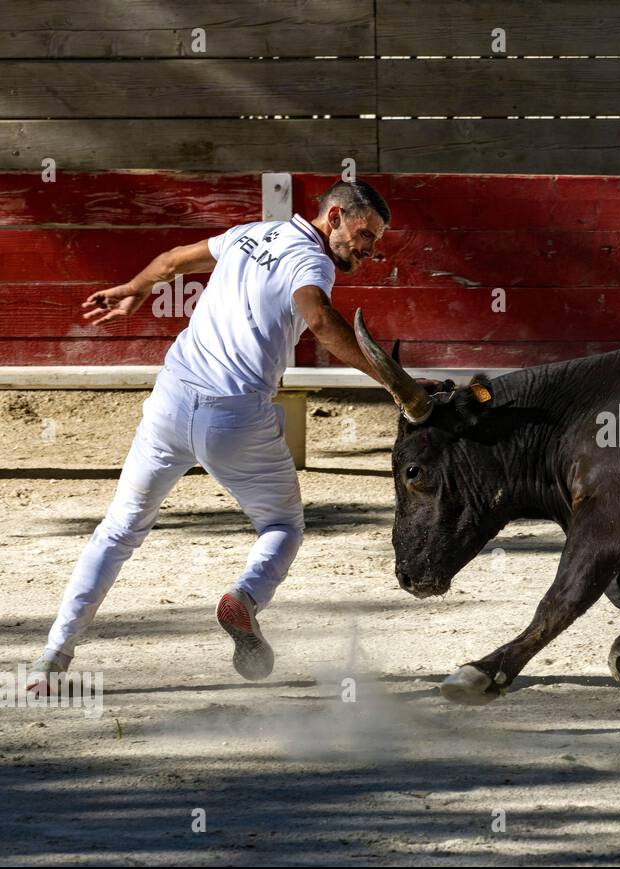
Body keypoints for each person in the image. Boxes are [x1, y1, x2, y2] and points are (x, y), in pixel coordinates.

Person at [28, 179, 393, 694]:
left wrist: (134, 290)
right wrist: (394, 381)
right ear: (333, 217)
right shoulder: (314, 263)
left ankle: (53, 656)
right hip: (236, 415)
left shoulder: (248, 233)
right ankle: (244, 598)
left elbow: (174, 259)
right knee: (283, 525)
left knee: (118, 529)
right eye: (364, 233)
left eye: (374, 240)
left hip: (171, 402)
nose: (368, 248)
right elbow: (320, 320)